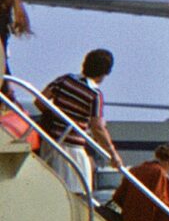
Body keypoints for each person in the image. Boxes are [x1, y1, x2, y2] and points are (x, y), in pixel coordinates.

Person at [39, 49, 121, 185]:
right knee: (78, 190)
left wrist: (58, 117)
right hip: (71, 147)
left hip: (50, 141)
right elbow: (98, 127)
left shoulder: (65, 79)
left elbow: (40, 102)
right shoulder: (95, 95)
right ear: (105, 73)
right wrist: (113, 154)